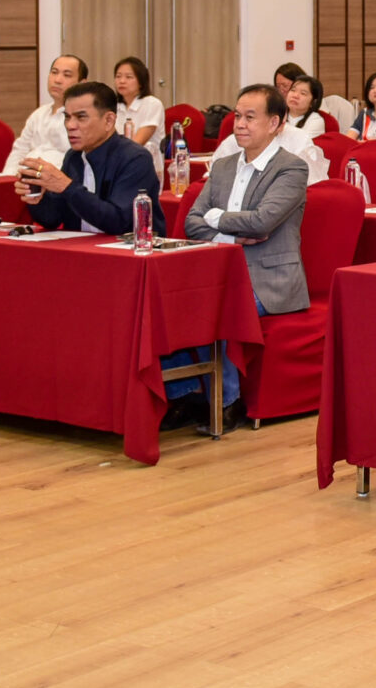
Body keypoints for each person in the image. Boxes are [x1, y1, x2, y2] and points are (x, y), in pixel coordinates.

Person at [163, 83, 309, 425]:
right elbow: (192, 223)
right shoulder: (224, 165)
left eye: (250, 118)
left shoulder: (291, 169)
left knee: (216, 306)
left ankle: (227, 400)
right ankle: (183, 394)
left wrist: (216, 218)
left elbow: (262, 222)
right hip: (219, 271)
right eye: (237, 116)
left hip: (268, 278)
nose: (239, 124)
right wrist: (229, 234)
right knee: (170, 303)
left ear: (274, 123)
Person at [18, 79, 158, 235]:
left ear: (109, 121)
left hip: (128, 248)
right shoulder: (74, 157)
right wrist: (37, 196)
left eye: (81, 117)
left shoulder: (135, 158)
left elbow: (120, 222)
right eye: (67, 117)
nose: (70, 125)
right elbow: (52, 219)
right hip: (81, 247)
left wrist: (66, 186)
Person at [5, 54, 85, 170]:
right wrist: (8, 177)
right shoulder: (39, 114)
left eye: (66, 75)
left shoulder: (82, 118)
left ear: (81, 83)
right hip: (24, 176)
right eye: (54, 72)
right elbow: (19, 150)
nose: (57, 80)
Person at [111, 57, 165, 171]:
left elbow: (136, 144)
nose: (122, 81)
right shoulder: (113, 106)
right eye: (118, 76)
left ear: (141, 81)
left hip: (145, 164)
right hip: (118, 163)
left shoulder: (152, 103)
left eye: (128, 77)